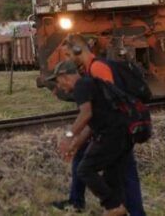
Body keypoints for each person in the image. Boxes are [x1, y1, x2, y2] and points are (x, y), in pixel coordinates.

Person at [52, 34, 147, 216]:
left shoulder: (98, 69)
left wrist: (73, 137)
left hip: (118, 130)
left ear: (78, 51)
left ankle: (127, 210)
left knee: (124, 173)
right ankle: (81, 201)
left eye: (68, 55)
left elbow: (108, 107)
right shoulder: (90, 70)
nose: (68, 59)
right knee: (106, 170)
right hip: (111, 129)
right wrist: (78, 140)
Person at [48, 61, 130, 216]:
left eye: (58, 82)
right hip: (120, 132)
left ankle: (114, 206)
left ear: (64, 76)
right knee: (108, 174)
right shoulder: (89, 83)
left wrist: (67, 137)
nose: (59, 87)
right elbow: (92, 124)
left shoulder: (81, 86)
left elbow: (86, 115)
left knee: (85, 170)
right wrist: (76, 143)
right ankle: (112, 207)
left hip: (112, 134)